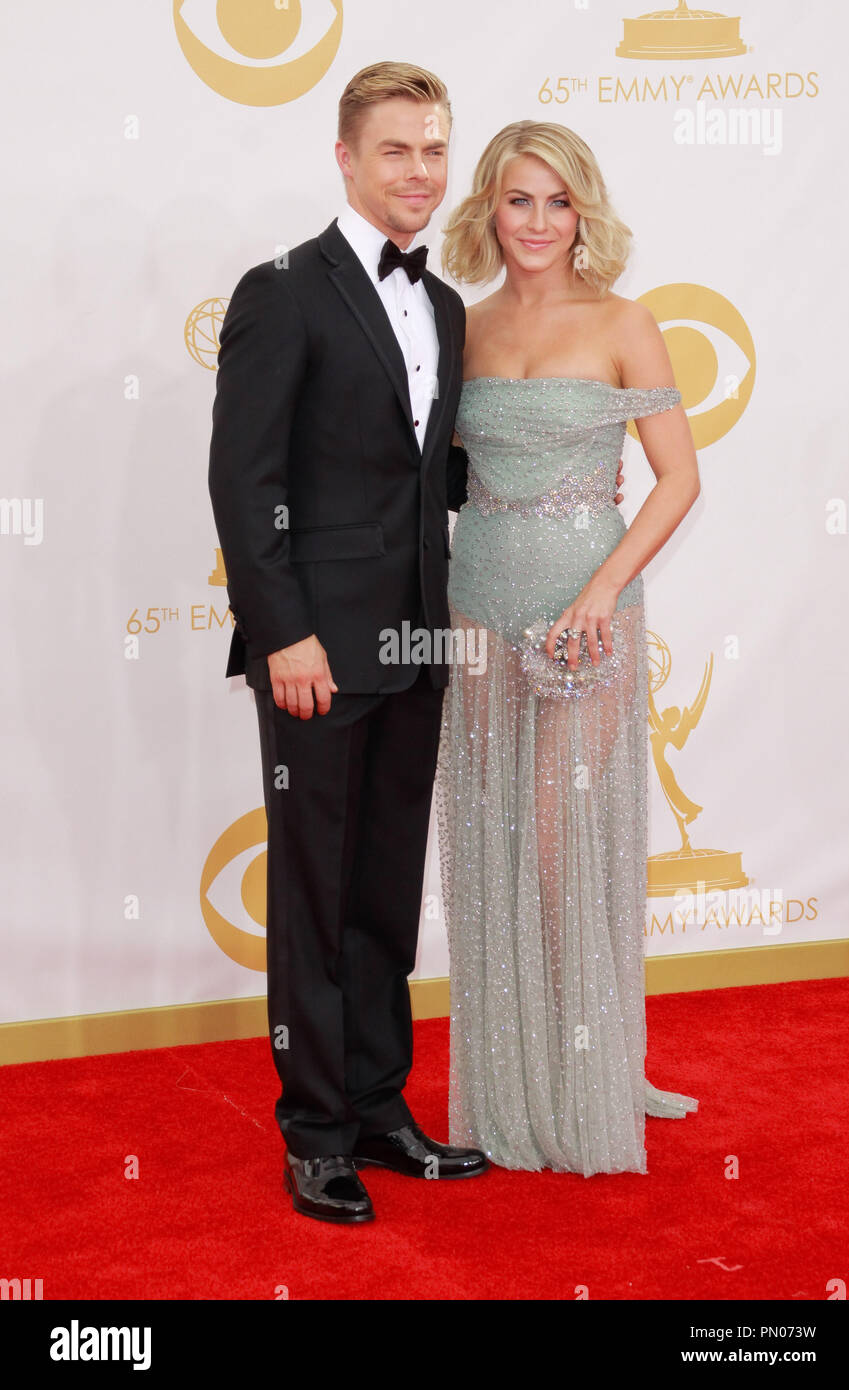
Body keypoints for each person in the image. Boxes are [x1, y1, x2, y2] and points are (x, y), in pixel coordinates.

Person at [207, 61, 491, 1224]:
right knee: (314, 900)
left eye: (432, 150)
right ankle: (314, 1134)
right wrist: (285, 635)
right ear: (344, 157)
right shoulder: (282, 290)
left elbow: (419, 470)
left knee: (381, 894)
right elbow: (244, 476)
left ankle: (380, 1108)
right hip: (317, 653)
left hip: (417, 642)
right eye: (394, 151)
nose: (418, 172)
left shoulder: (446, 305)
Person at [435, 120, 701, 1174]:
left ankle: (586, 1074)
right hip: (475, 612)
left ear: (580, 209)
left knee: (556, 845)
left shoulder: (623, 321)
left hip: (587, 614)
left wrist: (596, 595)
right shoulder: (461, 328)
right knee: (488, 841)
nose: (536, 222)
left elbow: (677, 478)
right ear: (487, 210)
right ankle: (509, 1075)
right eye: (515, 200)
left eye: (555, 201)